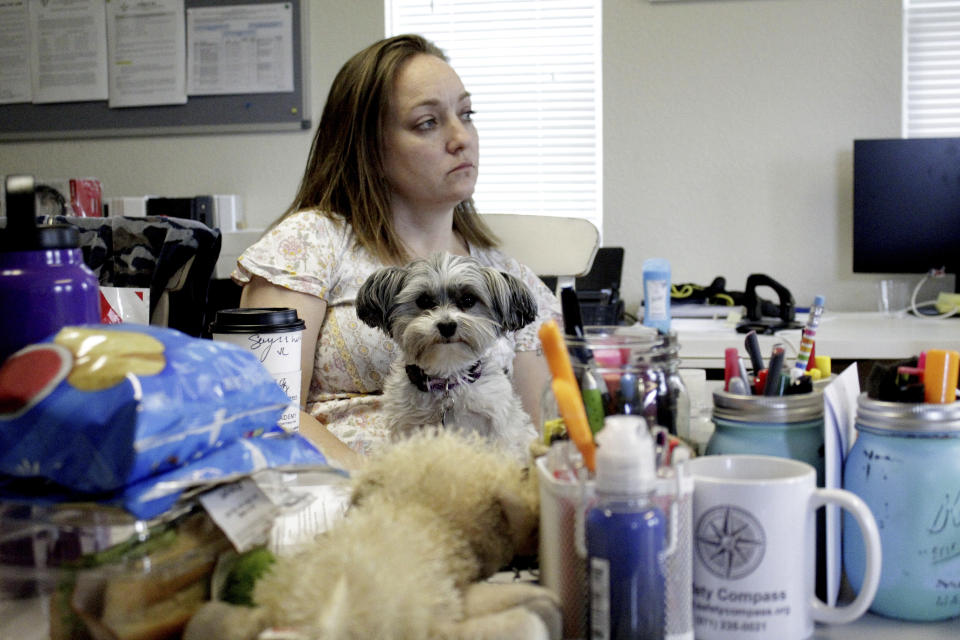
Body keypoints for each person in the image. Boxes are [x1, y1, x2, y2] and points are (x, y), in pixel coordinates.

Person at [233, 34, 561, 470]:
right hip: (342, 494)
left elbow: (543, 435)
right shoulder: (307, 246)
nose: (461, 137)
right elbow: (258, 407)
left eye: (467, 114)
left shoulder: (503, 275)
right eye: (428, 122)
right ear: (368, 146)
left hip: (487, 499)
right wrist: (376, 485)